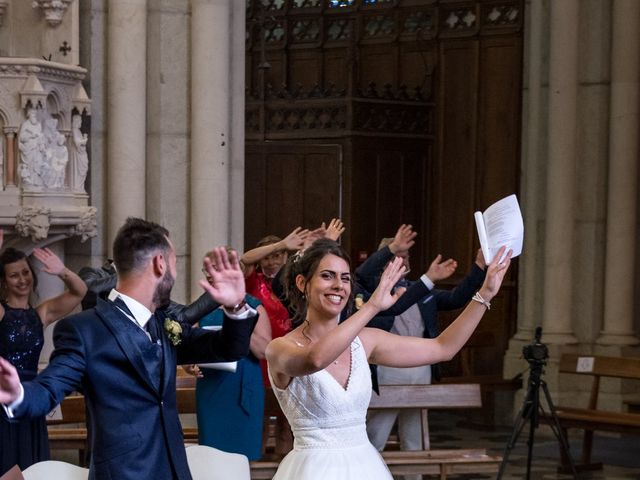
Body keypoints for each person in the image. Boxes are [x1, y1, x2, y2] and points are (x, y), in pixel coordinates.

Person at [0, 217, 257, 480]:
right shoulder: (84, 330)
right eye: (174, 263)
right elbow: (49, 387)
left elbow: (227, 349)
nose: (176, 273)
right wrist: (17, 394)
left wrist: (236, 307)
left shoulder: (164, 321)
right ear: (159, 264)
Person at [265, 238, 511, 480]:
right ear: (302, 283)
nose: (339, 285)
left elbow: (443, 347)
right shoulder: (280, 348)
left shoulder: (367, 341)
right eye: (327, 276)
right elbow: (316, 359)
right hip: (311, 469)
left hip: (364, 466)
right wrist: (373, 307)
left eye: (345, 277)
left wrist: (485, 295)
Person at [364, 242, 487, 477]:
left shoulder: (420, 290)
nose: (405, 259)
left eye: (407, 255)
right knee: (376, 434)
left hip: (420, 369)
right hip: (388, 370)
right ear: (384, 261)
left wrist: (479, 267)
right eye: (397, 255)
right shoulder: (374, 292)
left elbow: (455, 299)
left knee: (416, 437)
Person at [0, 234, 88, 475]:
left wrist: (62, 271)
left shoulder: (43, 312)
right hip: (4, 399)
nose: (22, 279)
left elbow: (80, 291)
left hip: (32, 397)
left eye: (25, 272)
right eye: (14, 275)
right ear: (4, 281)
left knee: (32, 468)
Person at [183, 248, 272, 460]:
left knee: (243, 457)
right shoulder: (201, 307)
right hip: (212, 387)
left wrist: (238, 320)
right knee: (212, 455)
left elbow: (264, 350)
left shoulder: (254, 307)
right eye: (210, 273)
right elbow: (188, 349)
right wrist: (191, 365)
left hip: (243, 385)